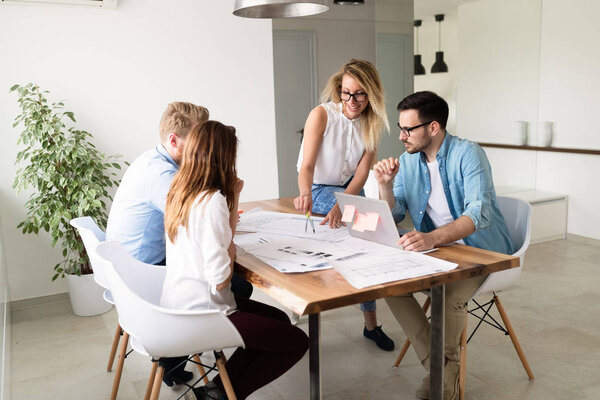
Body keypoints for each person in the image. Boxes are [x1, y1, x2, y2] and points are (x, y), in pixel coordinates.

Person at [373, 91, 515, 400]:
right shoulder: (409, 162)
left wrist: (431, 238)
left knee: (447, 296)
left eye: (408, 129)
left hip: (482, 253)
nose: (401, 136)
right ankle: (441, 372)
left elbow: (477, 214)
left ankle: (441, 386)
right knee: (389, 285)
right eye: (400, 128)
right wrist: (384, 184)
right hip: (438, 253)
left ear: (433, 127)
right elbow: (394, 213)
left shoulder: (469, 154)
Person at [106, 102, 253, 386]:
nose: (202, 145)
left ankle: (182, 353)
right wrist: (227, 208)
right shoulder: (164, 176)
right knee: (240, 286)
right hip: (144, 274)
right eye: (198, 139)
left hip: (135, 269)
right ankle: (184, 347)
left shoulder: (155, 162)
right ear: (175, 140)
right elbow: (201, 224)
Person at [161, 121, 309, 400]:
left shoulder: (179, 192)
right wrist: (229, 249)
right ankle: (227, 396)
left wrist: (234, 196)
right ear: (223, 158)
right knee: (296, 341)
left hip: (179, 304)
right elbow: (220, 280)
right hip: (205, 313)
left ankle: (217, 389)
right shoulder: (212, 201)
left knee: (277, 319)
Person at [294, 58, 394, 351]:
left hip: (351, 191)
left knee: (372, 238)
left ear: (371, 93)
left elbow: (363, 173)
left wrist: (345, 203)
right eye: (346, 92)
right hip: (319, 188)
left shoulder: (373, 121)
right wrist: (305, 194)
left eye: (360, 94)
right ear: (339, 89)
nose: (352, 100)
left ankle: (371, 325)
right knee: (361, 229)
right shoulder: (321, 115)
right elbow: (307, 166)